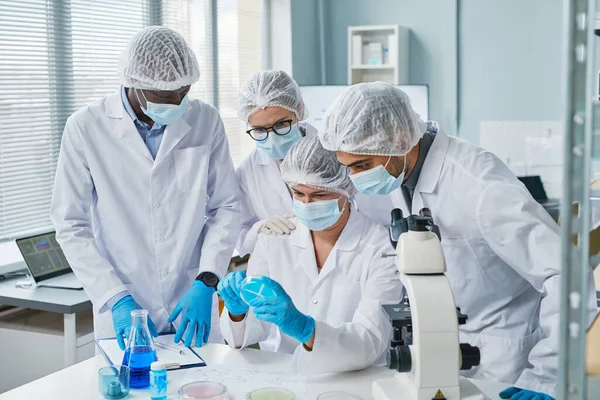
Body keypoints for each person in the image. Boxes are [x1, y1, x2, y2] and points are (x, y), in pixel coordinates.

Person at [318, 81, 598, 399]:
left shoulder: (479, 184)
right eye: (348, 167)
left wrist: (548, 376)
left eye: (362, 166)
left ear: (398, 139)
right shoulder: (394, 173)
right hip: (436, 342)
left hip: (505, 353)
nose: (355, 178)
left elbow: (567, 275)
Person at [50, 26, 240, 350]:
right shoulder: (86, 127)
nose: (179, 103)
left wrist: (207, 279)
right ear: (134, 85)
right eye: (168, 98)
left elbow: (226, 206)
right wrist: (115, 296)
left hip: (190, 300)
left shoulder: (206, 120)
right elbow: (70, 224)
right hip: (124, 304)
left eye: (185, 92)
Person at [218, 135, 403, 374]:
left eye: (320, 195)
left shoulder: (381, 246)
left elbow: (370, 340)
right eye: (298, 194)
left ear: (347, 189)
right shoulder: (275, 237)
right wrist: (237, 311)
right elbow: (254, 329)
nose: (307, 204)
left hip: (357, 380)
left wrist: (305, 328)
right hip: (286, 375)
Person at [235, 70, 391, 257]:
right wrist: (260, 229)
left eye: (281, 124)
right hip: (283, 263)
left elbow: (377, 216)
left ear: (299, 111)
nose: (272, 136)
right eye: (259, 129)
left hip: (348, 255)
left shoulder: (338, 153)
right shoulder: (247, 171)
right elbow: (239, 238)